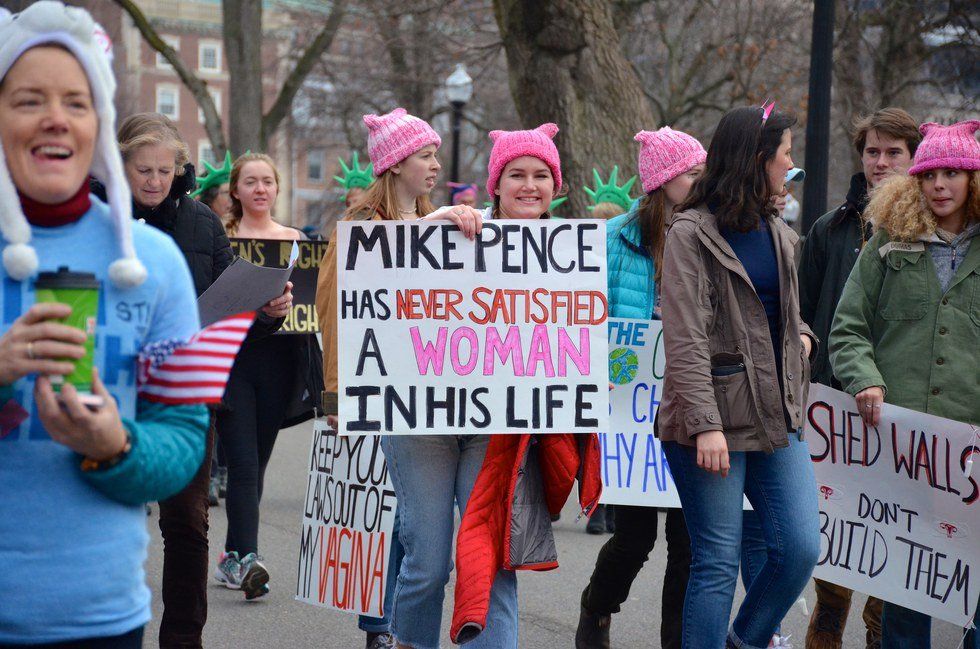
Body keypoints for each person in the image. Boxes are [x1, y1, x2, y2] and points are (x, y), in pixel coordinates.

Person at [0, 3, 208, 646]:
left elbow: (183, 441)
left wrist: (115, 446)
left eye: (78, 101)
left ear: (97, 125)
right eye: (29, 99)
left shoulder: (155, 262)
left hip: (100, 619)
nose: (55, 117)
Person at [116, 113, 289, 647]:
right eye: (142, 169)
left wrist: (267, 310)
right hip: (113, 393)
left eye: (164, 170)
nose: (152, 180)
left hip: (186, 394)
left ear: (180, 170)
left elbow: (230, 300)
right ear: (120, 166)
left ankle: (183, 639)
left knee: (188, 527)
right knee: (113, 525)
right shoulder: (101, 219)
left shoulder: (202, 223)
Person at [659, 104, 820, 649]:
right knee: (716, 562)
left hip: (777, 413)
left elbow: (786, 311)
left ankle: (744, 641)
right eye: (785, 155)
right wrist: (705, 426)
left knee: (799, 547)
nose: (791, 165)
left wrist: (803, 338)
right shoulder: (689, 232)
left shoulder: (779, 230)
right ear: (756, 160)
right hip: (713, 424)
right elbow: (685, 339)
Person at [316, 108, 478, 649]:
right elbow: (336, 312)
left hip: (440, 395)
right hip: (391, 397)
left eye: (434, 155)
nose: (435, 165)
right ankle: (385, 626)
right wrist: (337, 395)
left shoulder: (441, 223)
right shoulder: (362, 229)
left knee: (414, 527)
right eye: (425, 156)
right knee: (410, 530)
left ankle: (386, 625)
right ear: (395, 165)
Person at [447, 123, 602, 648]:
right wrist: (442, 218)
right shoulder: (454, 235)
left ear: (556, 186)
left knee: (491, 545)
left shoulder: (573, 251)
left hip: (515, 429)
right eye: (517, 174)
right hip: (439, 419)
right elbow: (388, 258)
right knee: (422, 551)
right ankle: (400, 632)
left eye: (541, 175)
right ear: (496, 184)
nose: (529, 185)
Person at [830, 119, 980, 649]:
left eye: (954, 173)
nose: (940, 184)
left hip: (972, 459)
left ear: (974, 180)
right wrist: (865, 379)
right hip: (902, 450)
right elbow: (847, 328)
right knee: (908, 590)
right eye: (929, 173)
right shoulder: (889, 246)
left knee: (975, 592)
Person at [576, 126, 705, 649]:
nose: (702, 182)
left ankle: (675, 639)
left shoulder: (709, 235)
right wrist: (598, 365)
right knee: (633, 536)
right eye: (693, 174)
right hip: (627, 409)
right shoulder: (613, 240)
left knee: (689, 541)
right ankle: (596, 611)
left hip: (689, 405)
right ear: (663, 181)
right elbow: (583, 315)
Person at [798, 106, 920, 649]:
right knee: (835, 565)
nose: (881, 161)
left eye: (894, 152)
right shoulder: (830, 229)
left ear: (915, 158)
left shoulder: (931, 232)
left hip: (905, 414)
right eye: (873, 150)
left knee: (893, 567)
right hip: (834, 413)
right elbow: (802, 310)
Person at [214, 152, 318, 600]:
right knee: (241, 462)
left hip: (281, 361)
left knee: (258, 461)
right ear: (235, 190)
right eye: (251, 181)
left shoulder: (298, 242)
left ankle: (231, 557)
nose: (260, 189)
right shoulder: (222, 239)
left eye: (268, 181)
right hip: (233, 360)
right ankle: (248, 558)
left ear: (277, 188)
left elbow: (313, 303)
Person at [192, 150, 234, 219]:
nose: (233, 198)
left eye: (236, 192)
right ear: (210, 199)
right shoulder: (196, 227)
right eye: (226, 192)